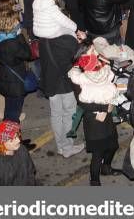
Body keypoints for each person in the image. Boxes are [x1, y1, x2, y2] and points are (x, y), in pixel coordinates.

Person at [68, 48, 121, 186]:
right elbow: (82, 104)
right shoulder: (78, 78)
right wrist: (104, 108)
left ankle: (106, 168)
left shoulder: (100, 69)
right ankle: (94, 180)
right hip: (94, 121)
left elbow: (111, 77)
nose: (95, 53)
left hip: (107, 117)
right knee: (98, 154)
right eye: (92, 51)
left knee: (113, 145)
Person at [38, 11, 84, 159]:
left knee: (56, 114)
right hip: (65, 83)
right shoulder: (68, 40)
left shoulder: (43, 38)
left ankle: (60, 146)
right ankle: (68, 147)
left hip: (50, 82)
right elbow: (79, 59)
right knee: (69, 113)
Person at [0, 0, 33, 123]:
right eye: (15, 21)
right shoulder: (13, 42)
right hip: (15, 79)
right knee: (14, 109)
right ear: (10, 23)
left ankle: (8, 120)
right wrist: (20, 36)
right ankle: (11, 134)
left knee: (9, 104)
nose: (17, 22)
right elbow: (27, 54)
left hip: (4, 74)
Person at [0, 121, 37, 186]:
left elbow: (30, 172)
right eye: (12, 140)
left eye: (17, 136)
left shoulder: (22, 150)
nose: (18, 140)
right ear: (1, 144)